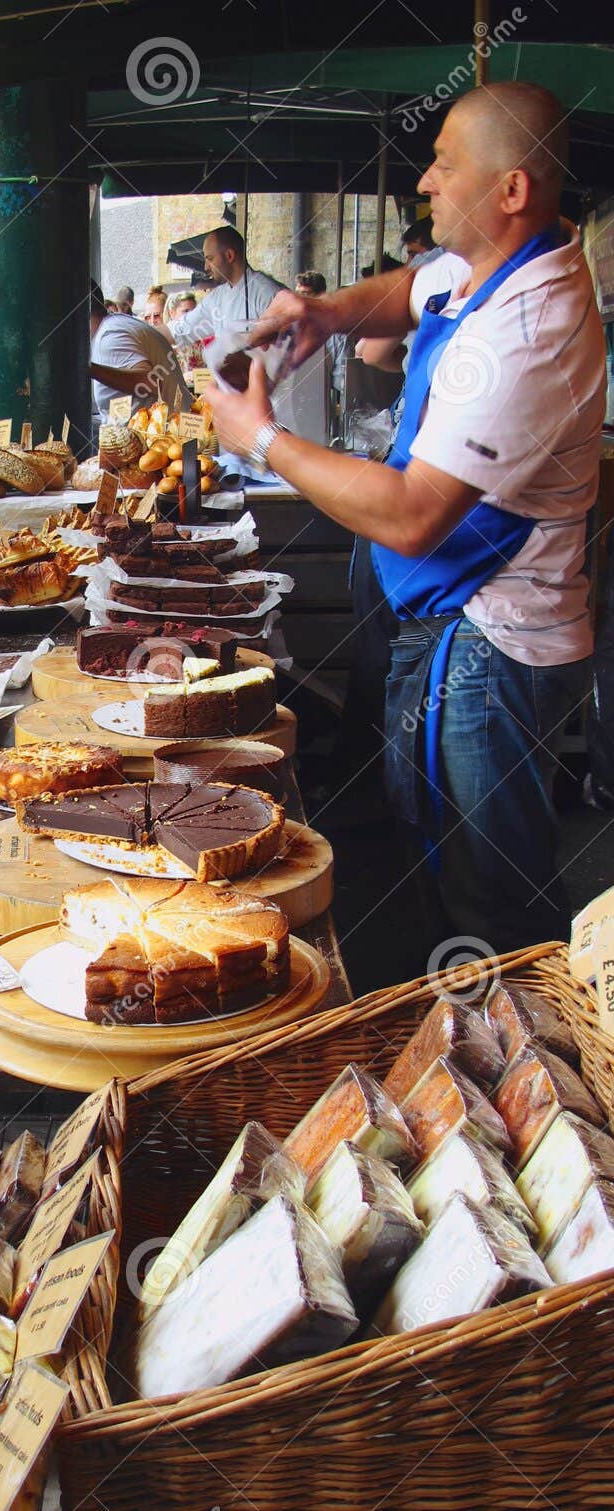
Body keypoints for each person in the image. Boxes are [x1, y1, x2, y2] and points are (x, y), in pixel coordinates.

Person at [203, 82, 603, 955]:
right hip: (451, 627)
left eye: (446, 164)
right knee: (440, 867)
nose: (424, 180)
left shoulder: (531, 326)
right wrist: (326, 312)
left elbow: (416, 515)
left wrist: (260, 436)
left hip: (497, 646)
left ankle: (542, 1074)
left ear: (512, 191)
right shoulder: (491, 263)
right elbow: (415, 286)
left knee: (495, 906)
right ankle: (466, 1053)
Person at [170, 225, 285, 362]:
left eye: (210, 258)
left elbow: (285, 353)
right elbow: (181, 330)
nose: (206, 267)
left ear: (229, 256)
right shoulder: (217, 297)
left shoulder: (267, 293)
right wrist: (140, 331)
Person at [89, 283, 189, 422]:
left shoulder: (110, 336)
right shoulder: (113, 326)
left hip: (166, 439)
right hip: (167, 436)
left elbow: (149, 381)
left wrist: (91, 370)